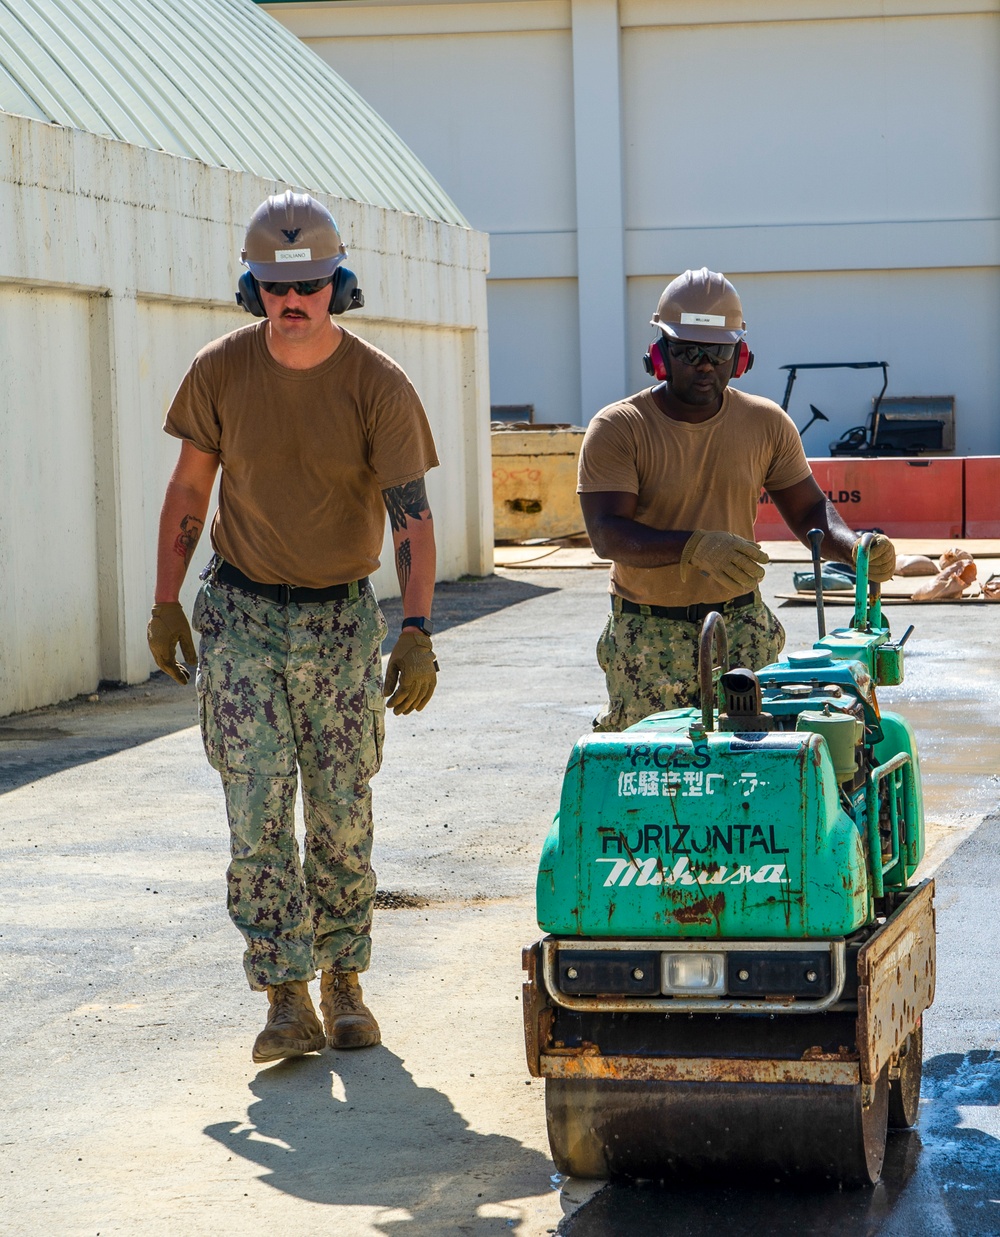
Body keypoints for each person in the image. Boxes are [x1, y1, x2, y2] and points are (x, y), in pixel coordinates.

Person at [146, 191, 440, 1063]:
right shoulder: (219, 371)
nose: (293, 300)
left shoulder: (380, 385)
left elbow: (412, 522)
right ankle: (284, 995)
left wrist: (417, 626)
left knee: (342, 807)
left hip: (338, 619)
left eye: (310, 283)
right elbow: (190, 489)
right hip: (240, 613)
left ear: (338, 284)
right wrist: (166, 598)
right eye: (276, 286)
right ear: (252, 290)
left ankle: (346, 981)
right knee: (257, 808)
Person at [578, 267, 896, 731]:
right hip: (648, 638)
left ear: (740, 356)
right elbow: (608, 534)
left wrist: (856, 547)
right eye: (688, 351)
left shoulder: (765, 423)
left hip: (743, 627)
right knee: (653, 771)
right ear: (660, 354)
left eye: (718, 352)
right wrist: (692, 548)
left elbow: (809, 511)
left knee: (757, 770)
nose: (704, 364)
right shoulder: (619, 428)